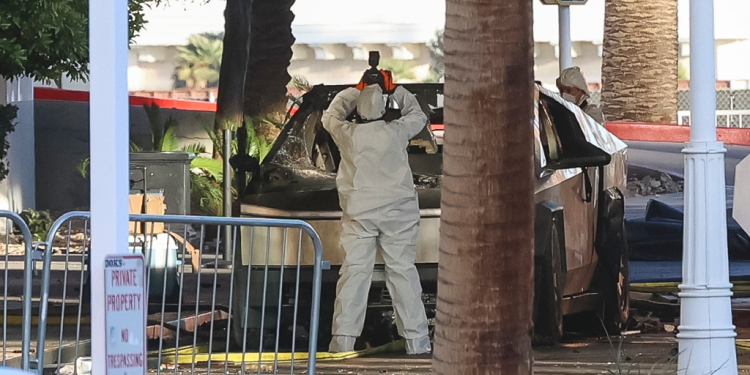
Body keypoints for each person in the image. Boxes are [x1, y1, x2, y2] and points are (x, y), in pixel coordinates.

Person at [321, 83, 431, 355]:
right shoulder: (396, 131)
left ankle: (342, 342)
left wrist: (352, 91)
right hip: (399, 215)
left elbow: (330, 116)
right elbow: (418, 115)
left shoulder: (348, 134)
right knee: (403, 273)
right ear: (384, 109)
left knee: (354, 275)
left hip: (359, 213)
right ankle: (417, 344)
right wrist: (397, 90)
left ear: (358, 109)